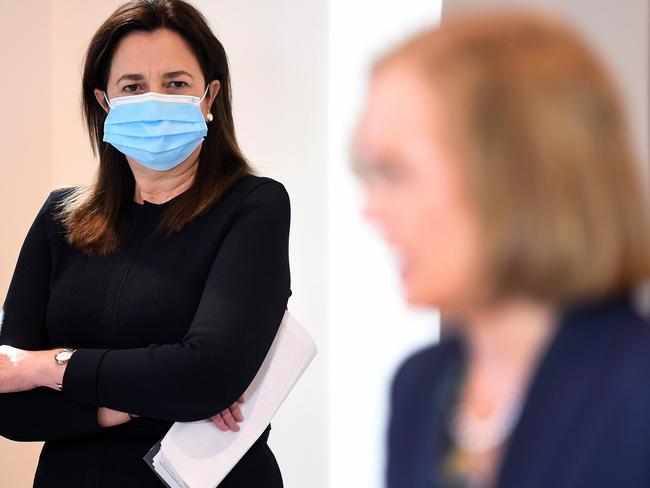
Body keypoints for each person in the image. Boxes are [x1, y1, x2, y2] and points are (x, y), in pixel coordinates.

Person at [353, 10, 650, 488]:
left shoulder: (636, 391)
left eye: (395, 172)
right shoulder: (421, 388)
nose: (371, 210)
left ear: (519, 173)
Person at [0, 1, 288, 486]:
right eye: (133, 86)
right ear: (104, 101)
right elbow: (9, 407)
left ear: (209, 96)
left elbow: (205, 377)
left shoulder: (253, 206)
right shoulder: (59, 218)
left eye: (176, 84)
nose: (154, 99)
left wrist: (47, 366)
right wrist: (139, 404)